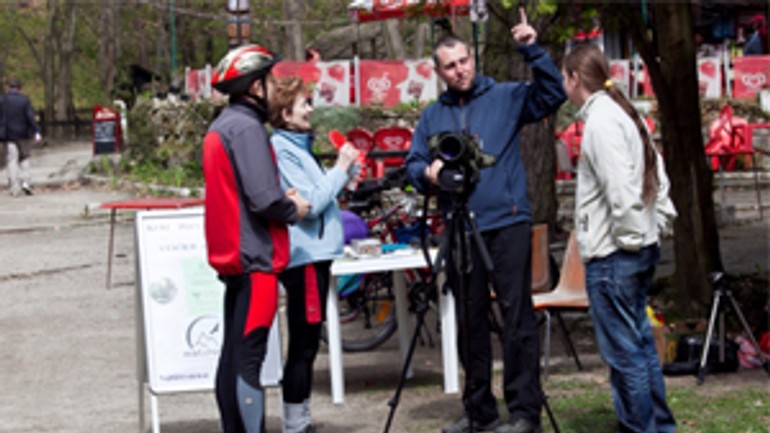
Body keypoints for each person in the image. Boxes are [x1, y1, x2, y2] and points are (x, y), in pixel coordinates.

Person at [405, 8, 566, 433]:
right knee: (469, 321)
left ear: (472, 60)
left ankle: (525, 412)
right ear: (438, 71)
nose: (460, 71)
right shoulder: (431, 116)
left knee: (516, 317)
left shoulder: (507, 97)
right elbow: (413, 163)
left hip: (507, 222)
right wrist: (428, 173)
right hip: (458, 225)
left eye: (464, 62)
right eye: (450, 66)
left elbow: (553, 95)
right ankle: (478, 411)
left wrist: (531, 49)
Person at [561, 43, 677, 433]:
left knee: (626, 354)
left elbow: (621, 190)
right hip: (632, 249)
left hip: (616, 255)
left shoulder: (602, 121)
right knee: (640, 348)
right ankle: (656, 426)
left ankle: (642, 427)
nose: (563, 84)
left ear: (574, 77)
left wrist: (633, 239)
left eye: (564, 77)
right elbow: (656, 175)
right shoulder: (625, 114)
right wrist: (653, 227)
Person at [202, 43, 311, 433]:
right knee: (249, 360)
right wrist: (293, 208)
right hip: (256, 262)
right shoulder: (247, 128)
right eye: (268, 80)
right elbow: (264, 197)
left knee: (232, 358)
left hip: (236, 260)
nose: (273, 86)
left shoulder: (223, 124)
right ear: (254, 88)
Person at [268, 76, 360, 433]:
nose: (310, 109)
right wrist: (338, 169)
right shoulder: (283, 148)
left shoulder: (297, 145)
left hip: (315, 255)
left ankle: (298, 420)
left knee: (307, 340)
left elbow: (319, 192)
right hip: (305, 256)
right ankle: (295, 424)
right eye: (304, 103)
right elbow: (313, 204)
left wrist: (345, 173)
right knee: (304, 343)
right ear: (285, 112)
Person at [2, 78, 41, 197]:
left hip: (8, 135)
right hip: (23, 134)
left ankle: (14, 187)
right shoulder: (24, 100)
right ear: (20, 88)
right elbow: (30, 117)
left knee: (11, 159)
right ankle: (26, 182)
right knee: (24, 157)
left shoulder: (3, 100)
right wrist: (36, 131)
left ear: (9, 87)